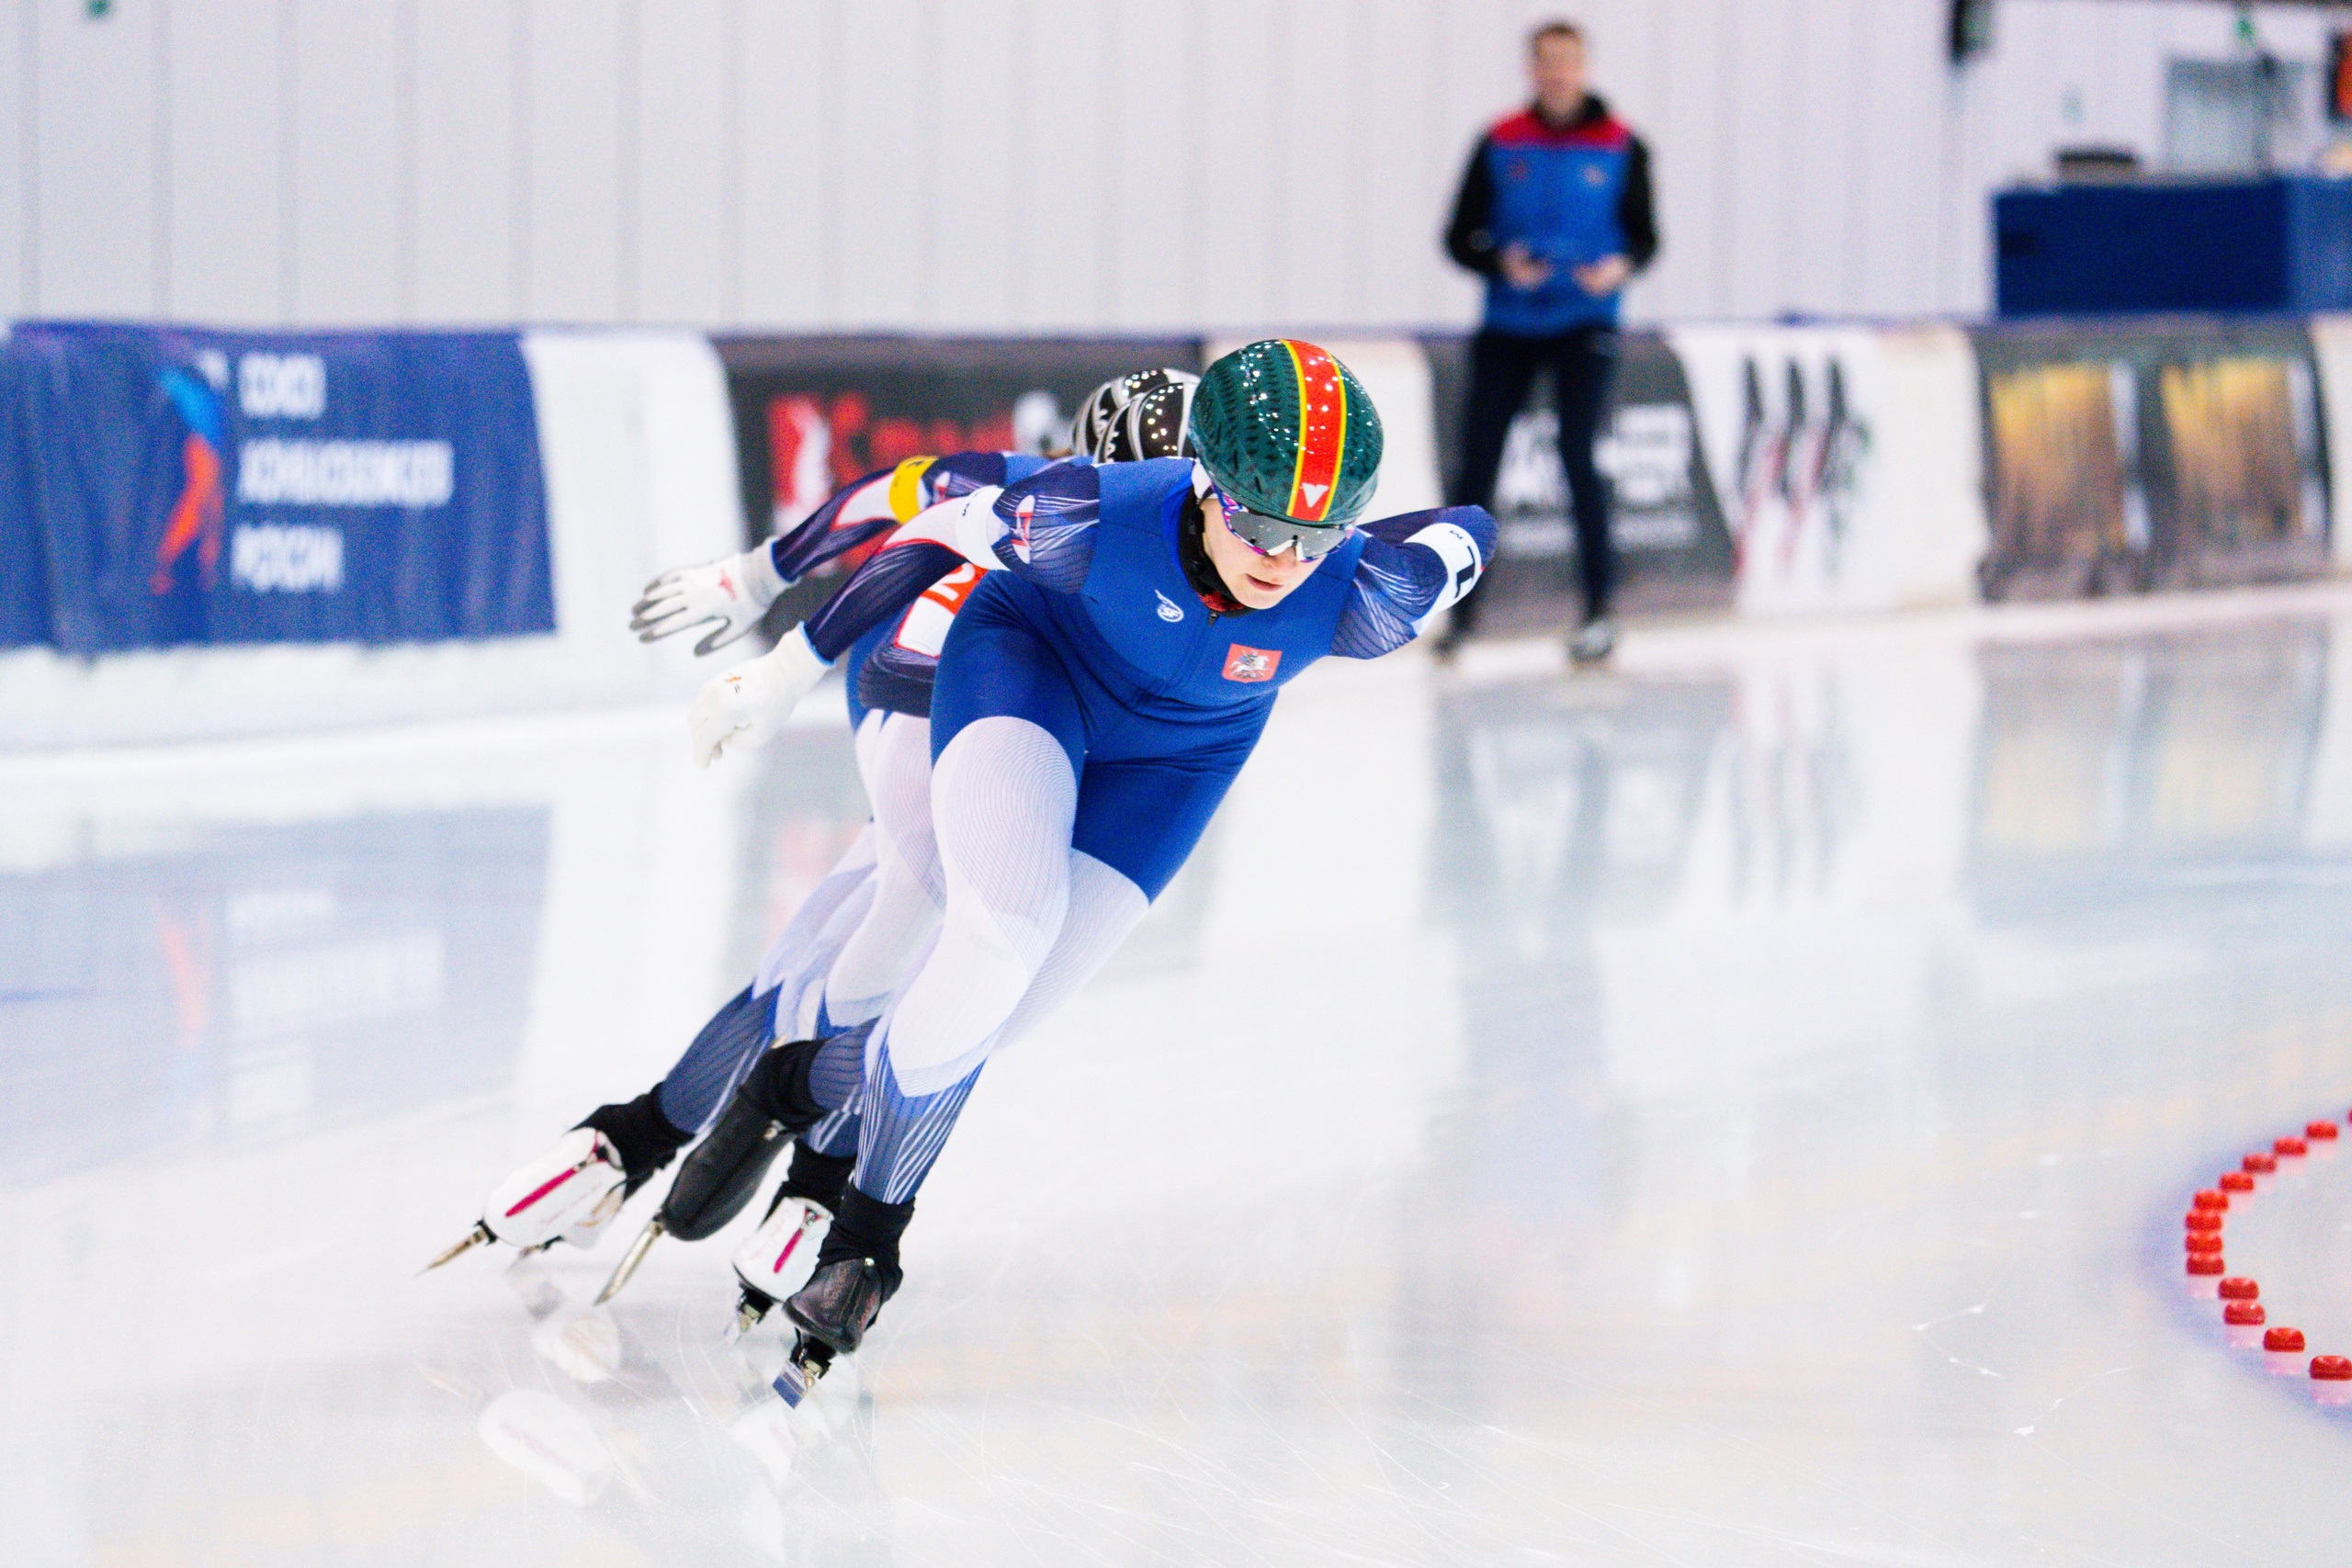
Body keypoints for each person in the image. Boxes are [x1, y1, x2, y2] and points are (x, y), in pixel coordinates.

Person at [670, 340, 1496, 1395]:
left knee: (987, 1024)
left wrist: (1375, 536)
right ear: (1204, 481)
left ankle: (792, 1081)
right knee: (1001, 933)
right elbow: (922, 526)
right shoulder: (1085, 514)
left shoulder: (1372, 592)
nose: (1282, 559)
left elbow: (1468, 530)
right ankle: (866, 1245)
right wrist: (784, 668)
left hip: (1177, 759)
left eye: (1313, 532)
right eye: (1257, 521)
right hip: (1028, 671)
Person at [424, 375, 1203, 1320]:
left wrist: (763, 572)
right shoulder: (1037, 492)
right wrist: (758, 579)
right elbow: (891, 498)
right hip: (932, 685)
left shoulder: (1194, 540)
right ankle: (810, 1162)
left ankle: (649, 1131)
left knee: (907, 932)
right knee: (917, 889)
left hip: (1039, 713)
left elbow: (877, 492)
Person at [1437, 18, 1657, 666]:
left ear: (1583, 66)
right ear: (1532, 68)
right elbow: (1458, 235)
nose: (1557, 73)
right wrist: (1499, 263)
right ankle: (1459, 614)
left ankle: (1599, 609)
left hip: (1585, 324)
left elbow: (1645, 237)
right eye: (1546, 62)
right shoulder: (1500, 141)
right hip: (1508, 323)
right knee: (1478, 463)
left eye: (1568, 61)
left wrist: (1619, 267)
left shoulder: (1622, 146)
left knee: (1579, 455)